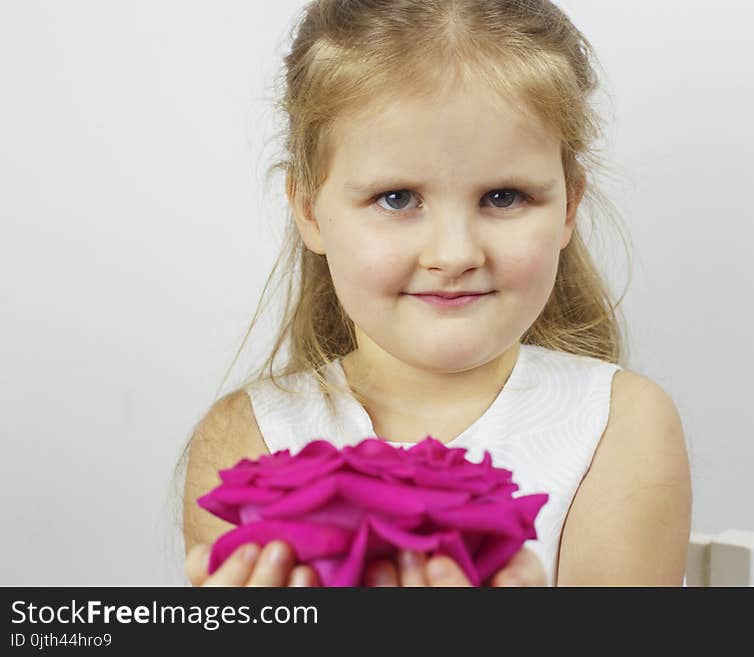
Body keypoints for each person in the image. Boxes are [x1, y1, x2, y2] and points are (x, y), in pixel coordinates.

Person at [178, 0, 692, 587]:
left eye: (503, 197)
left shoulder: (618, 424)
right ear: (309, 211)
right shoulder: (247, 438)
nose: (454, 255)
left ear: (569, 205)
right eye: (397, 198)